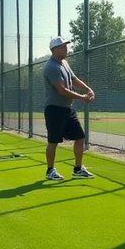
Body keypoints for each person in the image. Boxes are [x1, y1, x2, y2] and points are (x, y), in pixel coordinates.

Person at [43, 36, 96, 180]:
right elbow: (62, 90)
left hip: (67, 109)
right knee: (53, 142)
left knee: (80, 137)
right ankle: (50, 171)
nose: (66, 48)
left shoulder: (64, 63)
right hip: (54, 110)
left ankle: (78, 169)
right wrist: (82, 97)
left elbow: (73, 79)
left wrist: (88, 89)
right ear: (54, 50)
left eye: (66, 46)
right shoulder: (51, 67)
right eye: (62, 47)